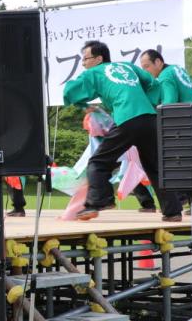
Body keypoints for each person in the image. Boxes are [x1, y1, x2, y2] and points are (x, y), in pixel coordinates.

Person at [63, 41, 177, 222]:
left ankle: (99, 201)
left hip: (127, 119)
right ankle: (173, 212)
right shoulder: (127, 66)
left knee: (98, 162)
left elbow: (69, 91)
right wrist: (147, 103)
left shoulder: (93, 72)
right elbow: (153, 84)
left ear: (98, 59)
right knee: (155, 166)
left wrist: (83, 105)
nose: (83, 63)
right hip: (149, 118)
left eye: (85, 59)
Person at [139, 48, 192, 216]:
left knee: (172, 162)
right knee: (189, 163)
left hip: (186, 121)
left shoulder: (165, 76)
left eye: (147, 66)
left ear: (158, 62)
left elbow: (168, 105)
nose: (145, 71)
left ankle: (180, 199)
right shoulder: (177, 69)